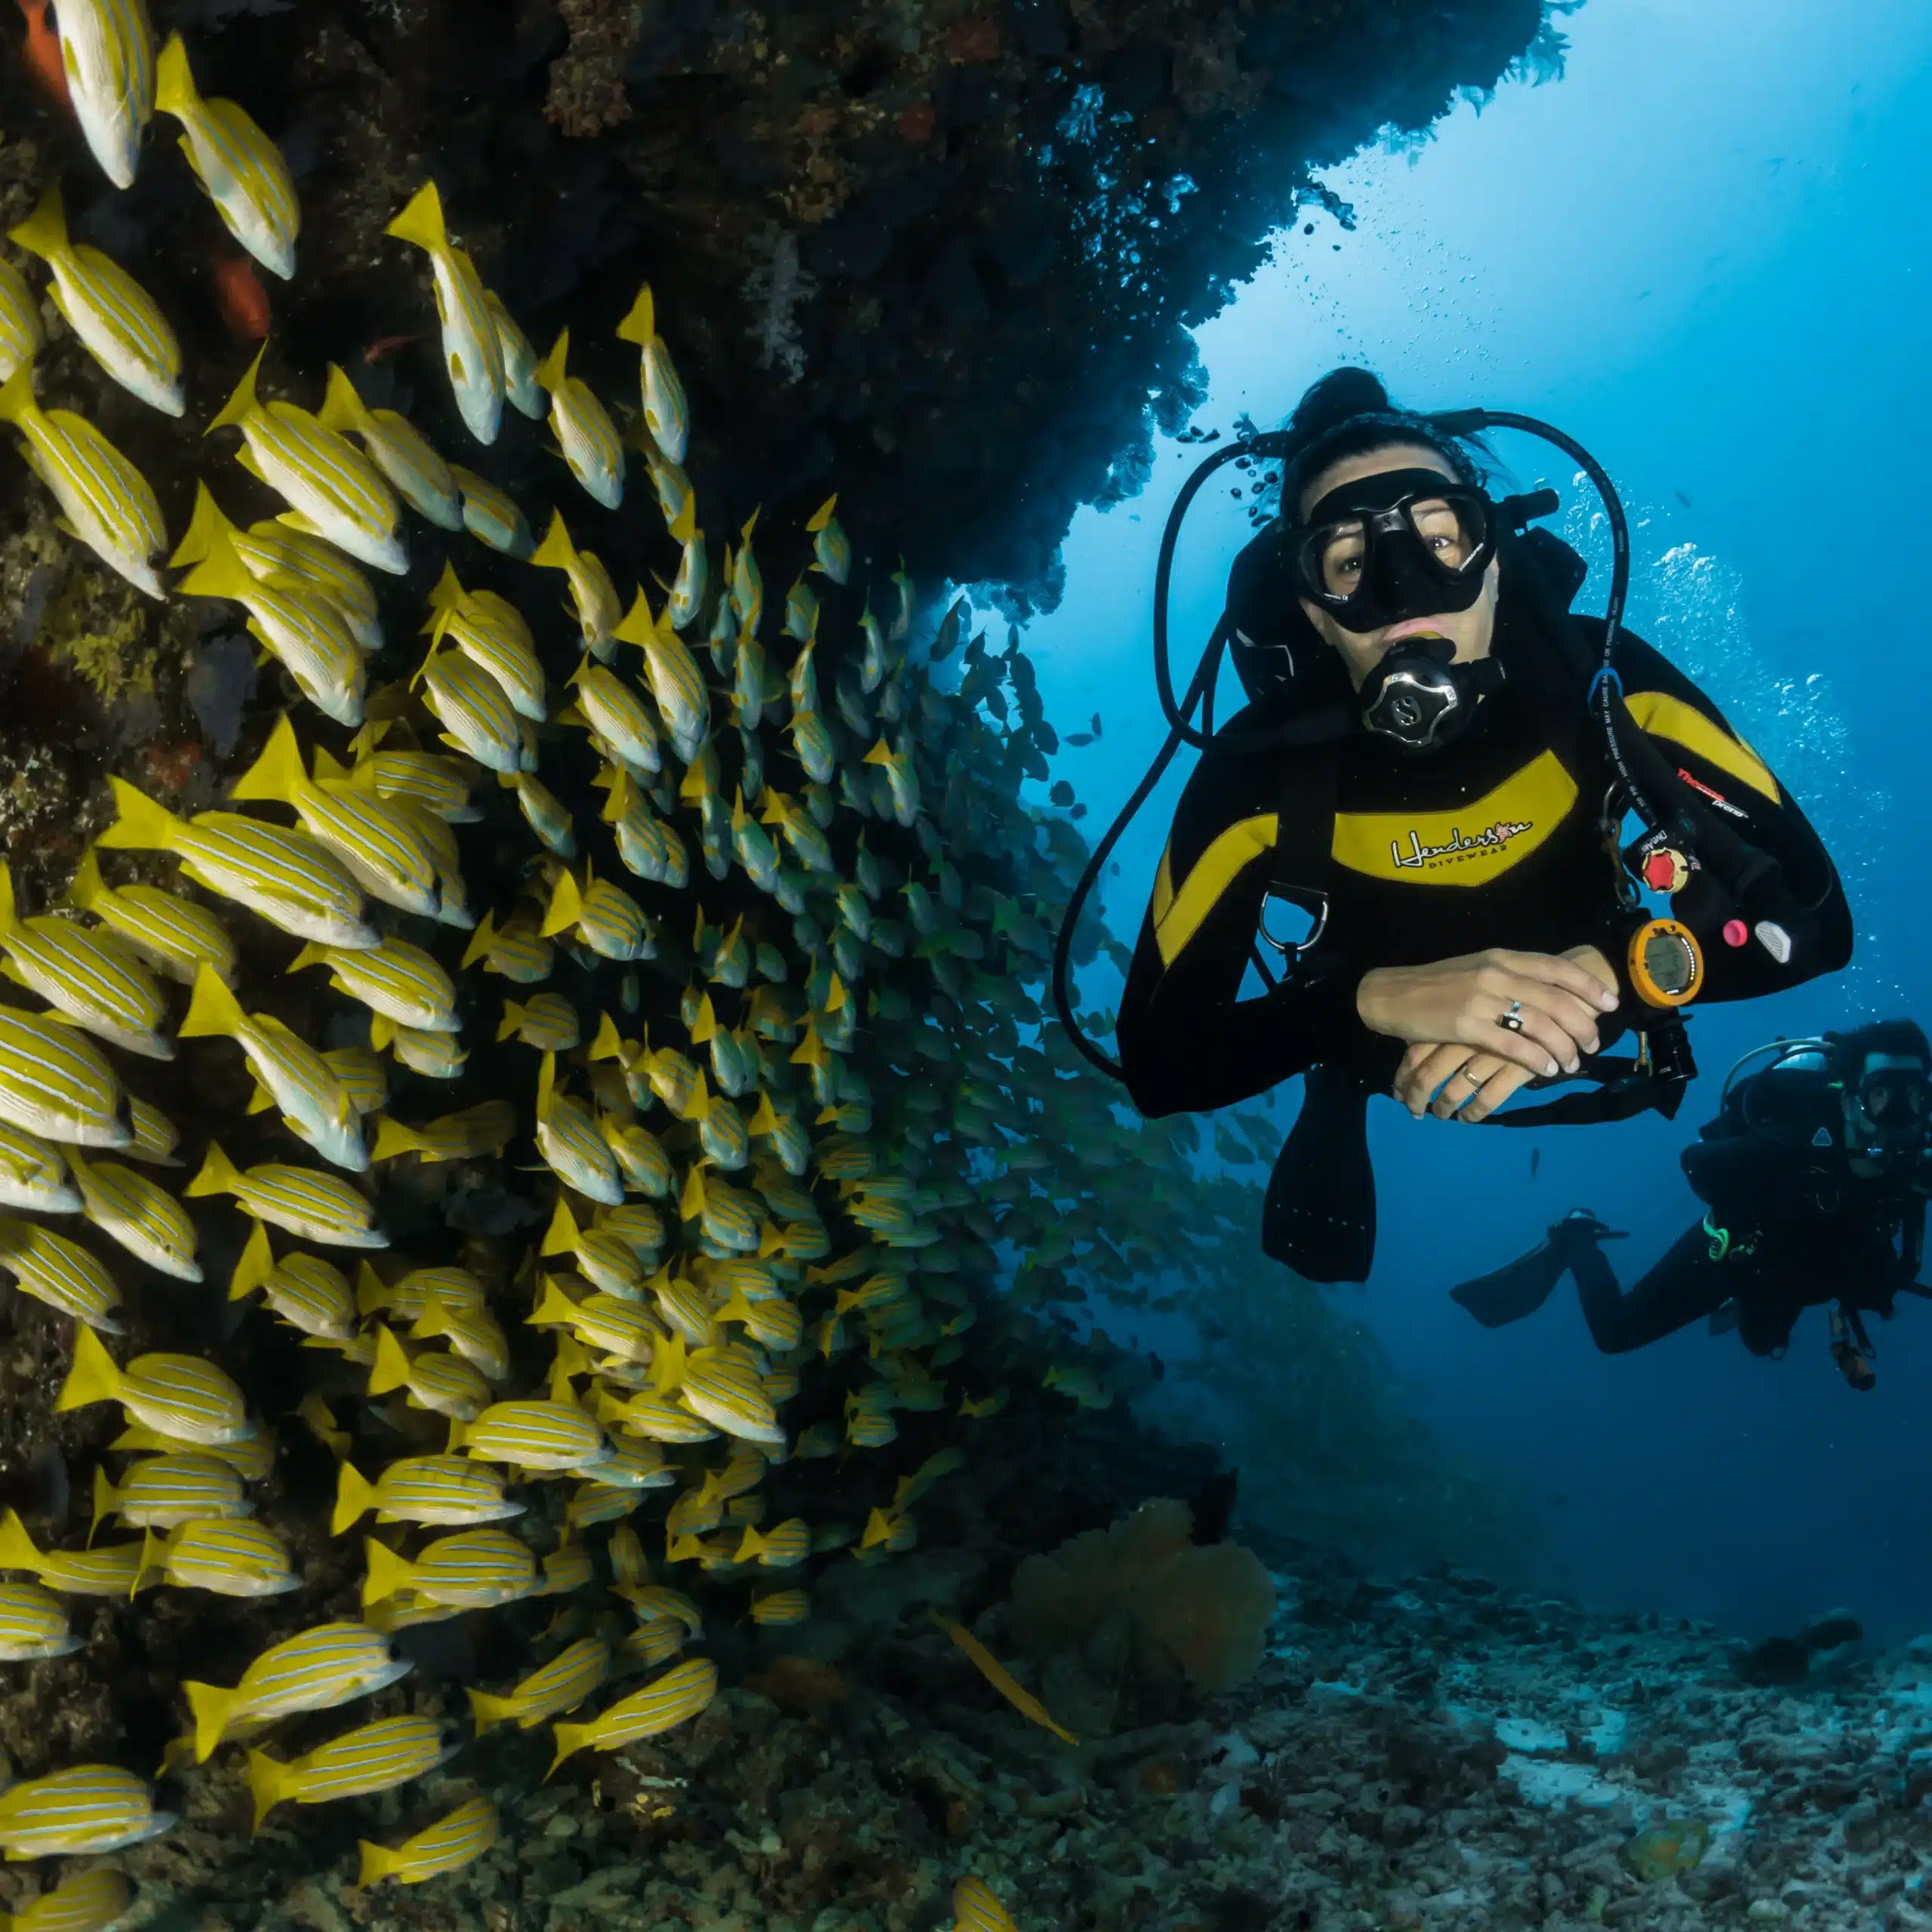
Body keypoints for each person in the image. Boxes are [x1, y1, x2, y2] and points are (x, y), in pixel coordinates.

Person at [1112, 367, 1851, 1278]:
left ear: (1495, 558)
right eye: (1348, 562)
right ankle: (1338, 1081)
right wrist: (1363, 1004)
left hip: (1607, 987)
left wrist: (1621, 975)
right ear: (1310, 607)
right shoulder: (1255, 775)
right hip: (1376, 1041)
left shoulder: (1606, 686)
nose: (1402, 591)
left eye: (1440, 539)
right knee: (1337, 1052)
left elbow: (1817, 920)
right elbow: (1159, 1064)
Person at [1451, 1021, 1932, 1391]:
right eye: (1883, 1095)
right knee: (1615, 1334)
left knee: (1762, 1343)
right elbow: (1697, 1163)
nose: (1900, 1117)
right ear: (1850, 1098)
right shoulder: (1791, 1144)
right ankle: (1575, 1236)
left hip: (1815, 1269)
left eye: (1915, 1098)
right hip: (1737, 1255)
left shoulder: (1915, 1168)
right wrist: (1780, 1176)